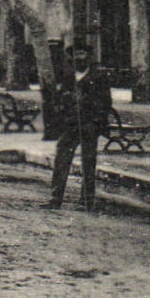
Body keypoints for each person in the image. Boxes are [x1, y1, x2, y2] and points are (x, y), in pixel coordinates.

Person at [46, 39, 115, 210]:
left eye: (83, 54)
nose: (79, 58)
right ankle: (56, 198)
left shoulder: (98, 77)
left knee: (88, 162)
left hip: (89, 126)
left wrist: (96, 123)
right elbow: (60, 99)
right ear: (71, 58)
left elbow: (106, 103)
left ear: (89, 57)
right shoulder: (68, 77)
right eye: (76, 55)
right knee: (62, 159)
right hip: (70, 126)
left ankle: (87, 200)